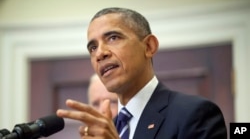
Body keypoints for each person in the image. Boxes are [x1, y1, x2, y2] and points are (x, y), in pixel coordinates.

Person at [57, 7, 227, 139]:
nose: (100, 53)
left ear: (149, 47)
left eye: (113, 38)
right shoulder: (106, 130)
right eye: (92, 48)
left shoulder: (194, 114)